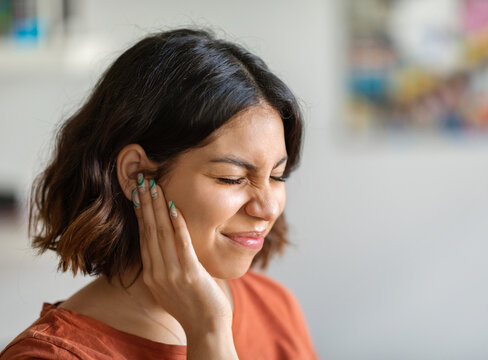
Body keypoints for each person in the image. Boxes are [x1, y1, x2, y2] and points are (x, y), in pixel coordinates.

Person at [0, 28, 317, 359]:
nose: (268, 208)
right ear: (137, 174)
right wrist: (208, 334)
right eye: (232, 178)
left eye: (277, 175)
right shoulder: (50, 356)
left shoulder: (275, 306)